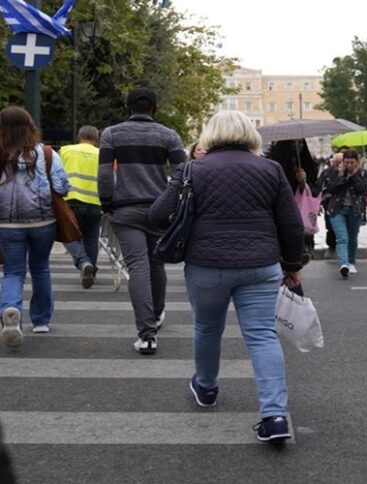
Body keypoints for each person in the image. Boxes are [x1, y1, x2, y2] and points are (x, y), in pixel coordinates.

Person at [151, 110, 305, 443]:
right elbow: (291, 224)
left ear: (209, 135)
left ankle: (206, 388)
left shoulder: (192, 169)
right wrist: (293, 264)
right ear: (250, 134)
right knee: (263, 335)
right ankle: (275, 416)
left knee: (207, 327)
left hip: (206, 264)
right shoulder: (270, 169)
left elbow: (158, 214)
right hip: (261, 266)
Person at [98, 88, 186, 355]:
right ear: (154, 109)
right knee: (156, 262)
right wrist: (170, 199)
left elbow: (104, 174)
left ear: (128, 107)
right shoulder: (169, 136)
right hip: (159, 210)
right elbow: (182, 172)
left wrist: (107, 203)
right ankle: (157, 315)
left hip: (125, 210)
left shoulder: (111, 134)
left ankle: (147, 336)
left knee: (138, 266)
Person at [0, 107, 71, 345]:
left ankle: (10, 310)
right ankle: (40, 321)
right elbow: (62, 187)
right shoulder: (47, 154)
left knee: (13, 271)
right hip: (43, 221)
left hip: (7, 224)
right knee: (40, 268)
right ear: (30, 126)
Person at [60, 125, 101, 289]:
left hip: (71, 200)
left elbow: (56, 174)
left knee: (68, 235)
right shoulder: (102, 154)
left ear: (79, 137)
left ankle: (83, 262)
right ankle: (91, 270)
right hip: (95, 202)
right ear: (97, 140)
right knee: (91, 238)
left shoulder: (65, 151)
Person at [323, 149, 367, 277]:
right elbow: (331, 189)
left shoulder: (363, 173)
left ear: (357, 162)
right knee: (342, 238)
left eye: (352, 162)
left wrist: (353, 175)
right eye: (347, 162)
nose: (349, 165)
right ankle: (344, 264)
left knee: (352, 238)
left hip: (355, 209)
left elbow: (361, 190)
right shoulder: (336, 173)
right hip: (337, 209)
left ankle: (351, 262)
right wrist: (341, 176)